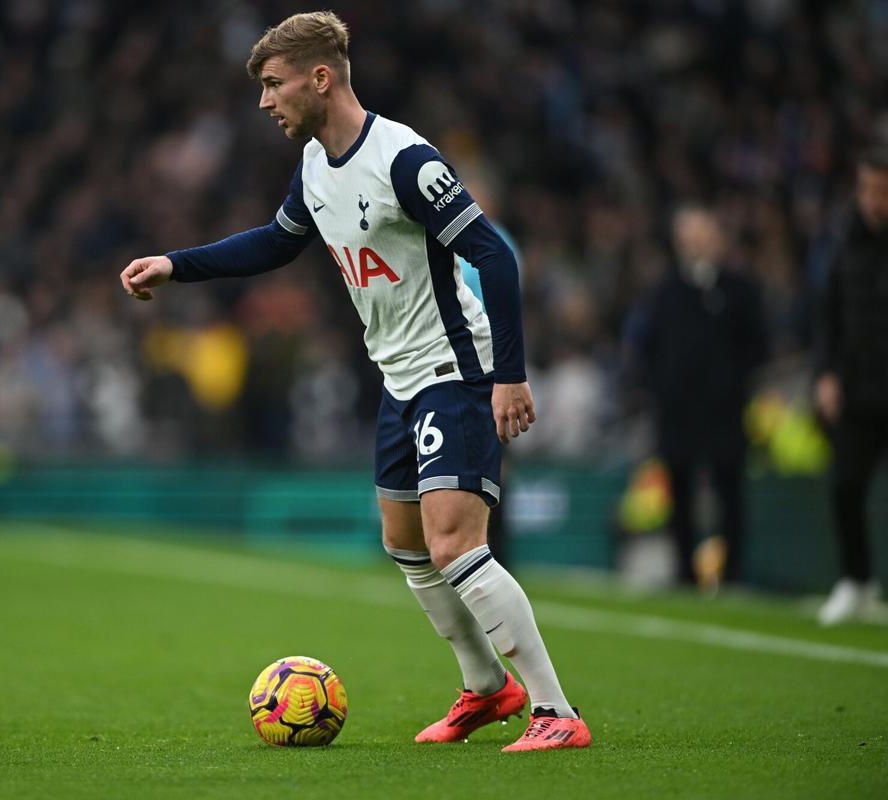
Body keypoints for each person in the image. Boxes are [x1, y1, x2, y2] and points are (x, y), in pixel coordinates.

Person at [119, 11, 590, 752]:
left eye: (274, 86)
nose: (266, 102)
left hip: (454, 369)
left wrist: (508, 377)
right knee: (403, 540)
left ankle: (555, 710)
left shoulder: (404, 159)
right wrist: (176, 264)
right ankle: (486, 688)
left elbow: (492, 254)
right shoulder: (314, 165)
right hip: (398, 379)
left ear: (320, 77)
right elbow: (277, 242)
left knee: (453, 543)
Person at [636, 206, 767, 590]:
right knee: (680, 490)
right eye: (688, 236)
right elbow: (646, 347)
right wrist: (660, 388)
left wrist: (735, 385)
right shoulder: (664, 291)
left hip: (725, 410)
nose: (694, 243)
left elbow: (756, 346)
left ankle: (734, 573)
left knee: (730, 489)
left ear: (717, 239)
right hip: (677, 411)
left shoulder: (739, 288)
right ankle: (685, 573)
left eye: (701, 234)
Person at [814, 147, 888, 626]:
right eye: (870, 189)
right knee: (846, 487)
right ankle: (856, 582)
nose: (876, 200)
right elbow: (829, 316)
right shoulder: (845, 244)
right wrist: (826, 373)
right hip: (858, 388)